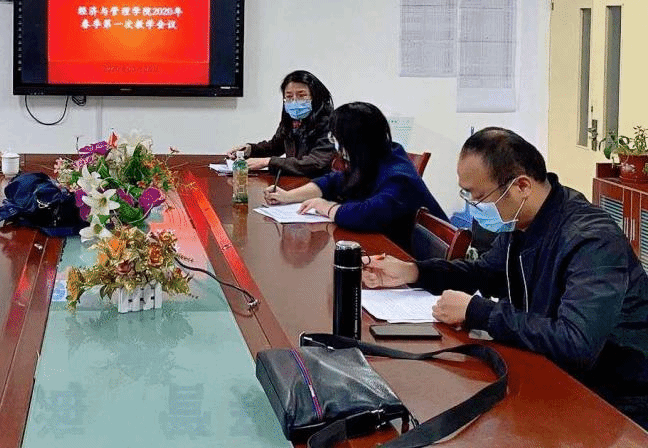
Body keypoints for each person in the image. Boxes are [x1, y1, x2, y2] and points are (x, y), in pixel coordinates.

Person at [362, 127, 648, 428]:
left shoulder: (592, 240)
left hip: (615, 399)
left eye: (480, 197)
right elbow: (483, 272)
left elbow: (576, 343)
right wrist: (415, 271)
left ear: (521, 186)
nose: (475, 208)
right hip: (551, 371)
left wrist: (477, 311)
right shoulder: (524, 220)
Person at [264, 102, 446, 251]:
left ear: (355, 142)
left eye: (337, 139)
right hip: (386, 246)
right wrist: (288, 196)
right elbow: (333, 181)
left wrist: (327, 207)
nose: (335, 145)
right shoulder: (373, 156)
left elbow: (367, 214)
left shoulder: (399, 177)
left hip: (416, 261)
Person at [227, 70, 336, 176]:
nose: (294, 101)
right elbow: (275, 147)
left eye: (301, 96)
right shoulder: (291, 120)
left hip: (320, 184)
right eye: (289, 97)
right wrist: (249, 150)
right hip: (295, 181)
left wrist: (268, 162)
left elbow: (315, 163)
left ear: (316, 97)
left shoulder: (330, 123)